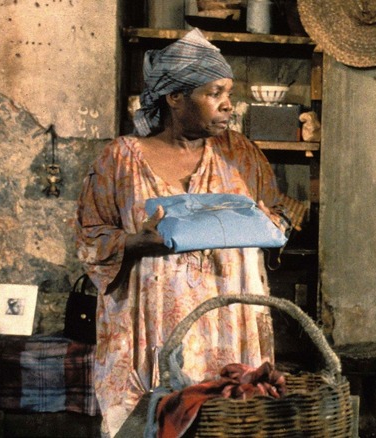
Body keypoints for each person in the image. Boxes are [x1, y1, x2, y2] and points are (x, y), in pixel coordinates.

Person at [74, 28, 292, 437]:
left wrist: (272, 223)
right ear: (175, 97)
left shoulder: (241, 154)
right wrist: (137, 242)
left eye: (229, 92)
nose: (228, 104)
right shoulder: (120, 160)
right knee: (152, 422)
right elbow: (89, 239)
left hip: (227, 325)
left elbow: (277, 218)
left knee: (225, 423)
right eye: (214, 93)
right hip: (149, 329)